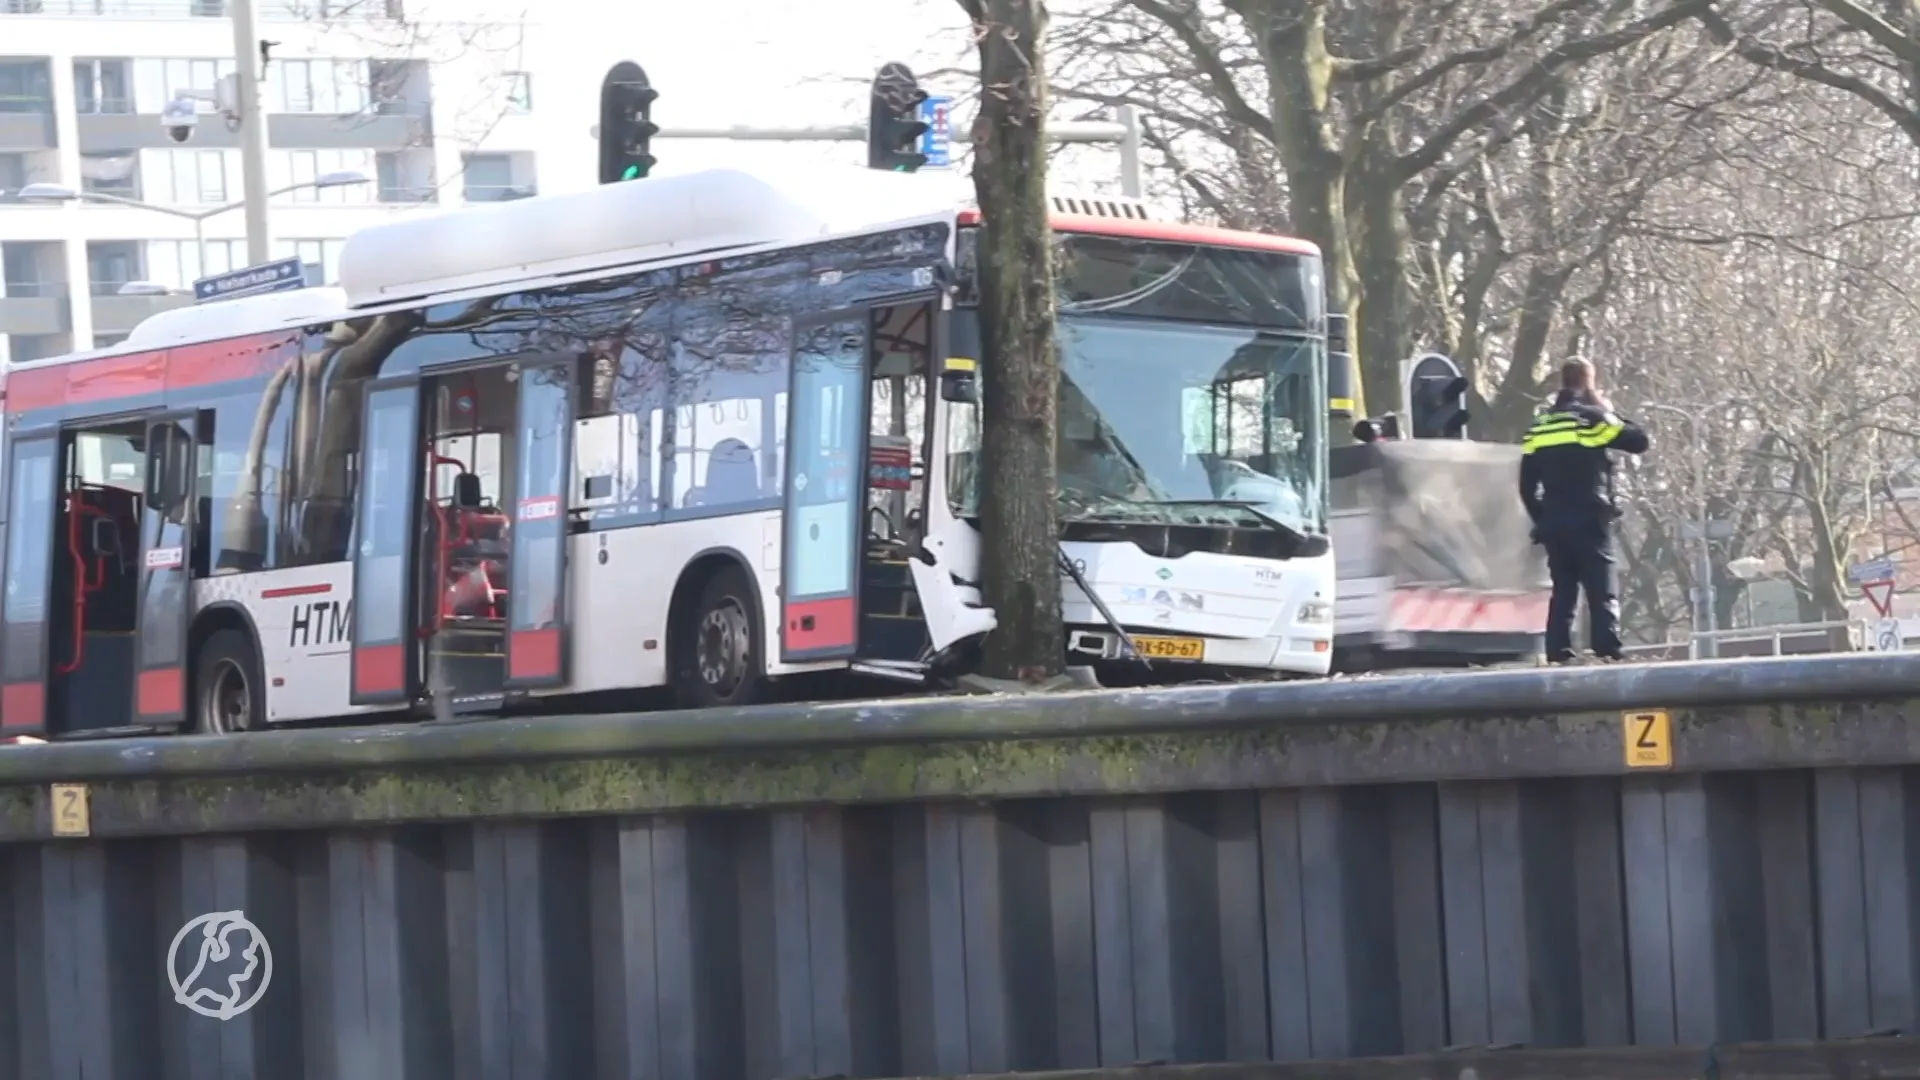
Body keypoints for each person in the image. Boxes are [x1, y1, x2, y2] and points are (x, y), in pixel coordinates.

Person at [1519, 360, 1651, 663]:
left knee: (1563, 590)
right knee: (1600, 587)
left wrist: (1543, 521)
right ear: (1588, 382)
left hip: (1554, 521)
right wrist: (1607, 409)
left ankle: (1558, 651)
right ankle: (1607, 649)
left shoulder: (1538, 427)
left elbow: (1526, 488)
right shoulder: (1591, 420)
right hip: (1590, 517)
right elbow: (1639, 441)